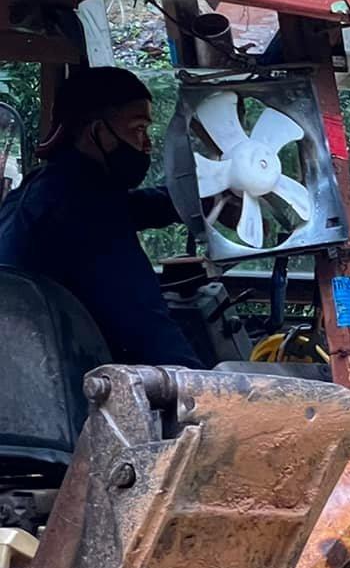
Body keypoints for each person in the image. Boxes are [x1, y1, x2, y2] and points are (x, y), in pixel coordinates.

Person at [0, 66, 202, 367]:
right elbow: (145, 328)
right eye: (138, 129)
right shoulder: (86, 213)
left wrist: (201, 199)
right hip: (75, 388)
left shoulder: (45, 189)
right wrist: (206, 395)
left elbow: (133, 207)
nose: (146, 145)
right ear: (97, 132)